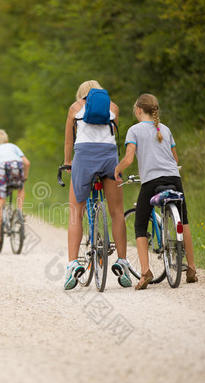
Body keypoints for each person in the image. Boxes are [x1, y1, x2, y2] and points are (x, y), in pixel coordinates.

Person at [114, 93, 198, 290]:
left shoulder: (134, 130)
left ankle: (145, 272)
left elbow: (128, 159)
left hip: (151, 181)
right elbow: (175, 159)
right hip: (174, 179)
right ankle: (192, 268)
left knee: (140, 225)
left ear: (138, 110)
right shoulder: (165, 129)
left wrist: (117, 170)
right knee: (184, 221)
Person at [64, 80, 131, 290]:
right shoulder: (113, 107)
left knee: (76, 211)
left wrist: (68, 163)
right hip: (109, 157)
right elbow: (112, 134)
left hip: (84, 157)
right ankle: (122, 262)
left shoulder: (75, 108)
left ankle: (73, 264)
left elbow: (69, 141)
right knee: (117, 212)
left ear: (81, 94)